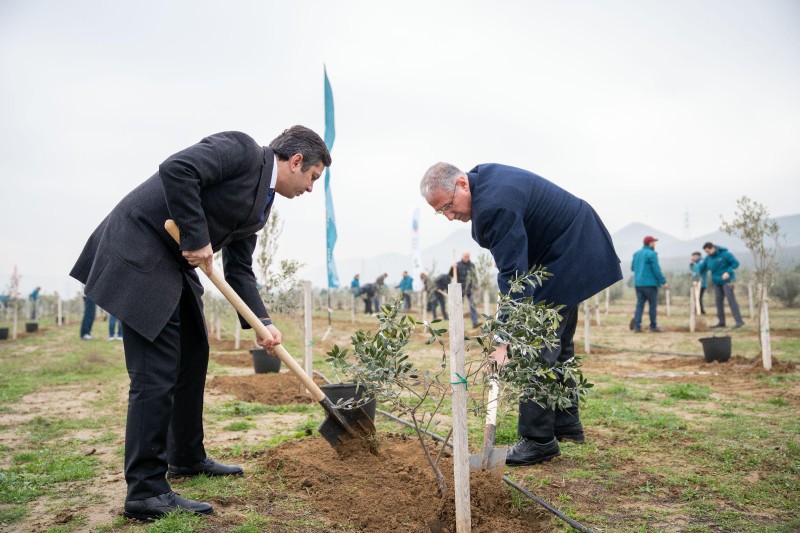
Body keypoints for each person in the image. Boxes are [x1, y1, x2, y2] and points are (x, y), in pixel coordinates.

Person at [70, 127, 331, 520]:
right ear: (296, 162)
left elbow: (240, 268)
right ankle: (145, 491)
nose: (311, 188)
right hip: (140, 249)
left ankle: (186, 456)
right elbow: (177, 169)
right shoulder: (241, 150)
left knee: (193, 354)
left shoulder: (262, 204)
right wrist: (195, 235)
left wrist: (263, 322)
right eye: (313, 178)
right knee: (155, 376)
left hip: (171, 263)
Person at [420, 162, 621, 466]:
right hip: (571, 244)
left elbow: (514, 275)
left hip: (569, 250)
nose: (449, 217)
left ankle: (538, 440)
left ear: (462, 184)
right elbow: (515, 269)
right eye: (441, 212)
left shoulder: (494, 205)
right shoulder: (484, 185)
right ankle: (565, 422)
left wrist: (504, 341)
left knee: (536, 345)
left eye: (448, 206)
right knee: (557, 343)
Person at [697, 242, 744, 329]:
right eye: (706, 252)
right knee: (718, 302)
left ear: (713, 248)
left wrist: (728, 272)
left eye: (708, 251)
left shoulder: (725, 254)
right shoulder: (708, 258)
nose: (708, 253)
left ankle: (739, 321)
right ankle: (721, 322)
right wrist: (696, 271)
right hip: (717, 282)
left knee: (731, 300)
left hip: (727, 281)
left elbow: (735, 263)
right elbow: (701, 269)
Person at [631, 236, 668, 333]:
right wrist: (663, 281)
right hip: (650, 284)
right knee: (652, 305)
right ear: (650, 243)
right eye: (654, 242)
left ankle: (636, 327)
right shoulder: (652, 254)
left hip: (638, 284)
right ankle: (653, 326)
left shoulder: (636, 254)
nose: (654, 244)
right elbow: (656, 270)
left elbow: (632, 268)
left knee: (639, 305)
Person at [456, 252, 479, 327]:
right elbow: (451, 275)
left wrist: (476, 288)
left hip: (470, 289)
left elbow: (475, 277)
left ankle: (475, 322)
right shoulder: (457, 265)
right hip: (460, 289)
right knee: (459, 306)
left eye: (468, 256)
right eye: (465, 256)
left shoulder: (472, 265)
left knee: (472, 305)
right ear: (462, 256)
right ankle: (458, 324)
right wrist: (452, 268)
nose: (466, 258)